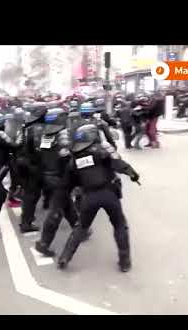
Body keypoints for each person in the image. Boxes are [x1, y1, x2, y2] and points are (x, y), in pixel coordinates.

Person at [57, 123, 140, 271]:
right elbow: (119, 164)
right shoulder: (103, 150)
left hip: (88, 197)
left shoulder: (74, 159)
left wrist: (63, 199)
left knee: (80, 228)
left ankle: (65, 257)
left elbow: (67, 184)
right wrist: (133, 175)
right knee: (120, 225)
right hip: (109, 195)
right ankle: (125, 262)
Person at [32, 108, 79, 257]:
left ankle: (80, 229)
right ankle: (44, 243)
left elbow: (42, 154)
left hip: (47, 176)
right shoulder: (62, 134)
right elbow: (67, 157)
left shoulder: (45, 135)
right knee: (56, 211)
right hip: (60, 178)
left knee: (67, 205)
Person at [16, 104, 48, 233]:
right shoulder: (38, 129)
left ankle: (26, 219)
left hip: (24, 165)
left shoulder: (26, 128)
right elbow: (39, 150)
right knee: (32, 195)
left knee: (30, 195)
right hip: (33, 166)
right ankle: (26, 223)